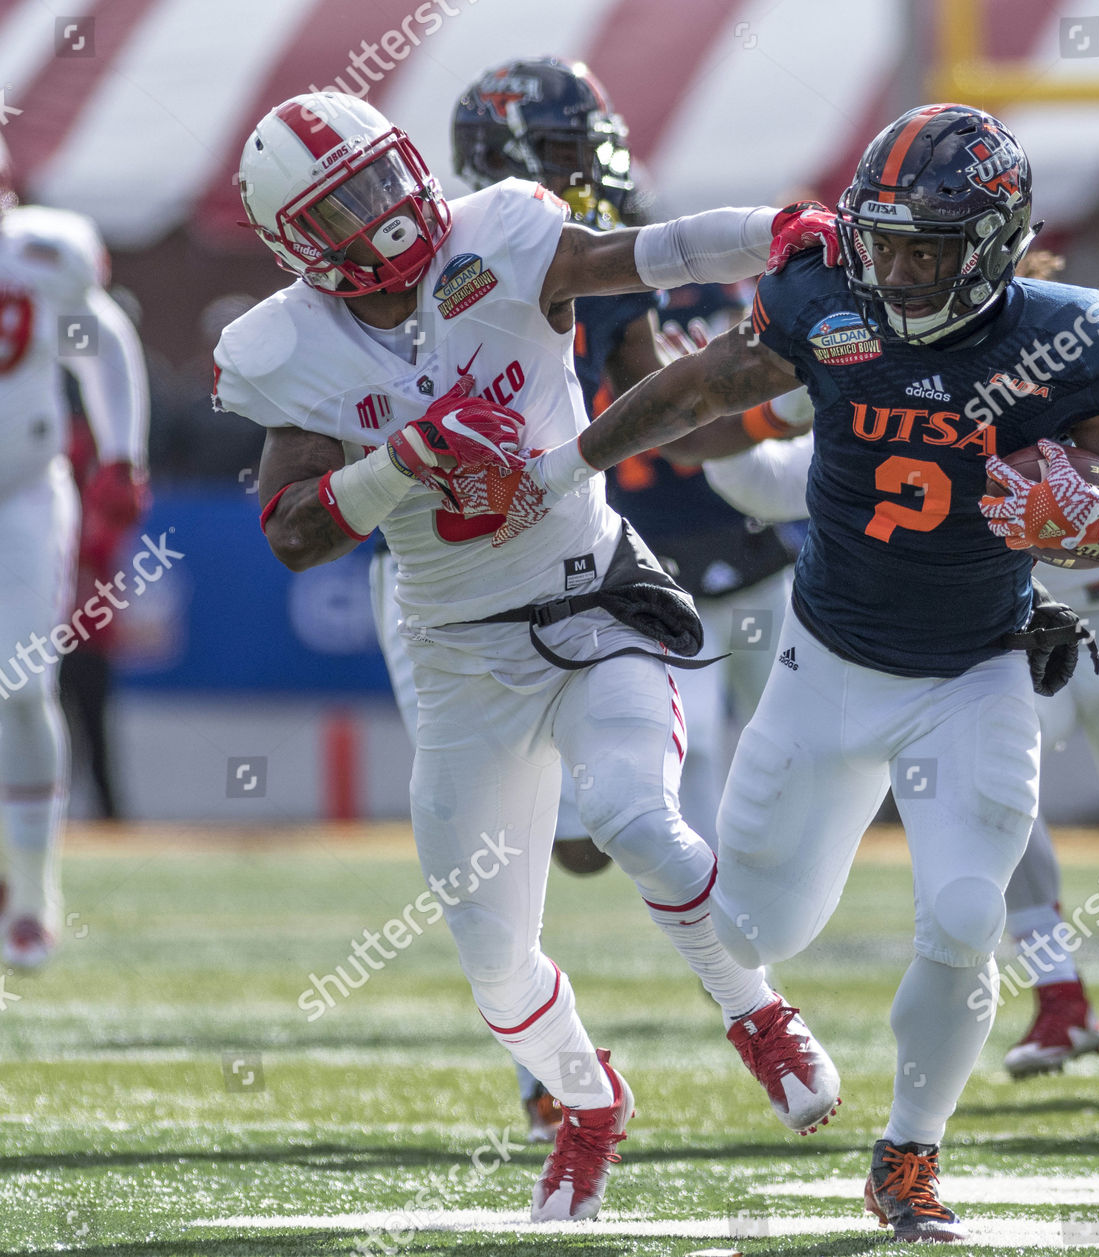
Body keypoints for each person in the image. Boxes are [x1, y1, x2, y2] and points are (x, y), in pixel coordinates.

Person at [522, 103, 1099, 1242]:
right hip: (826, 666)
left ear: (995, 244)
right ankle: (707, 1020)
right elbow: (712, 391)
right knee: (752, 928)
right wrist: (564, 465)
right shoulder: (823, 298)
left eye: (923, 249)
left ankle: (908, 1158)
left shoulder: (1068, 339)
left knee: (960, 912)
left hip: (977, 672)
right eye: (882, 242)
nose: (895, 269)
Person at [213, 91, 843, 1223]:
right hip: (458, 655)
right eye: (340, 206)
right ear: (297, 245)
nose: (379, 215)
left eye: (376, 179)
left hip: (590, 593)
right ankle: (589, 1101)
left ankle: (757, 1013)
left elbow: (640, 256)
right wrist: (402, 460)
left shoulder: (497, 235)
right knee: (497, 963)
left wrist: (771, 232)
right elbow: (297, 533)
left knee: (640, 821)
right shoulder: (284, 349)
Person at [680, 248, 1099, 1079]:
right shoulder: (895, 378)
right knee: (991, 807)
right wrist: (721, 425)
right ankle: (1059, 991)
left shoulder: (1082, 375)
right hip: (1010, 632)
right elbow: (783, 482)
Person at [0, 132, 149, 967]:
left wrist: (122, 452)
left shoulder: (38, 254)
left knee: (21, 686)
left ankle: (32, 893)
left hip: (19, 494)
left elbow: (103, 342)